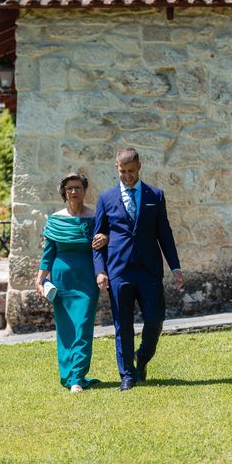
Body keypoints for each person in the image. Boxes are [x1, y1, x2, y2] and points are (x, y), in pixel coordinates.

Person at [93, 147, 184, 391]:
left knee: (155, 319)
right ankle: (127, 376)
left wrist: (175, 267)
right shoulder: (106, 198)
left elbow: (164, 233)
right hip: (118, 270)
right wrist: (100, 270)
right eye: (123, 172)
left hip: (149, 270)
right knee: (122, 324)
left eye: (132, 171)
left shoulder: (156, 195)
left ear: (140, 167)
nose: (128, 176)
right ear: (116, 168)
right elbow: (97, 238)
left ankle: (142, 358)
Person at [35, 173, 108, 393]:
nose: (73, 192)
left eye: (77, 187)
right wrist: (40, 279)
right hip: (61, 281)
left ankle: (77, 375)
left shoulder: (96, 217)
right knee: (65, 328)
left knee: (83, 325)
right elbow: (49, 253)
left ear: (85, 190)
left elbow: (106, 247)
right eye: (69, 188)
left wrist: (107, 237)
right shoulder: (55, 219)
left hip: (87, 280)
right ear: (64, 192)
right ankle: (67, 375)